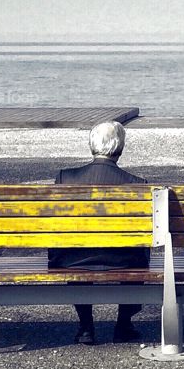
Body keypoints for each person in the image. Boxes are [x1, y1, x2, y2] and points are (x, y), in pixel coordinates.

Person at [47, 120, 149, 345]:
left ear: (92, 146)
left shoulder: (65, 178)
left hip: (73, 259)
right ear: (119, 148)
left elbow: (56, 225)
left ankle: (86, 326)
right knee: (139, 250)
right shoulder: (137, 183)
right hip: (123, 260)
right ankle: (123, 324)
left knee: (74, 246)